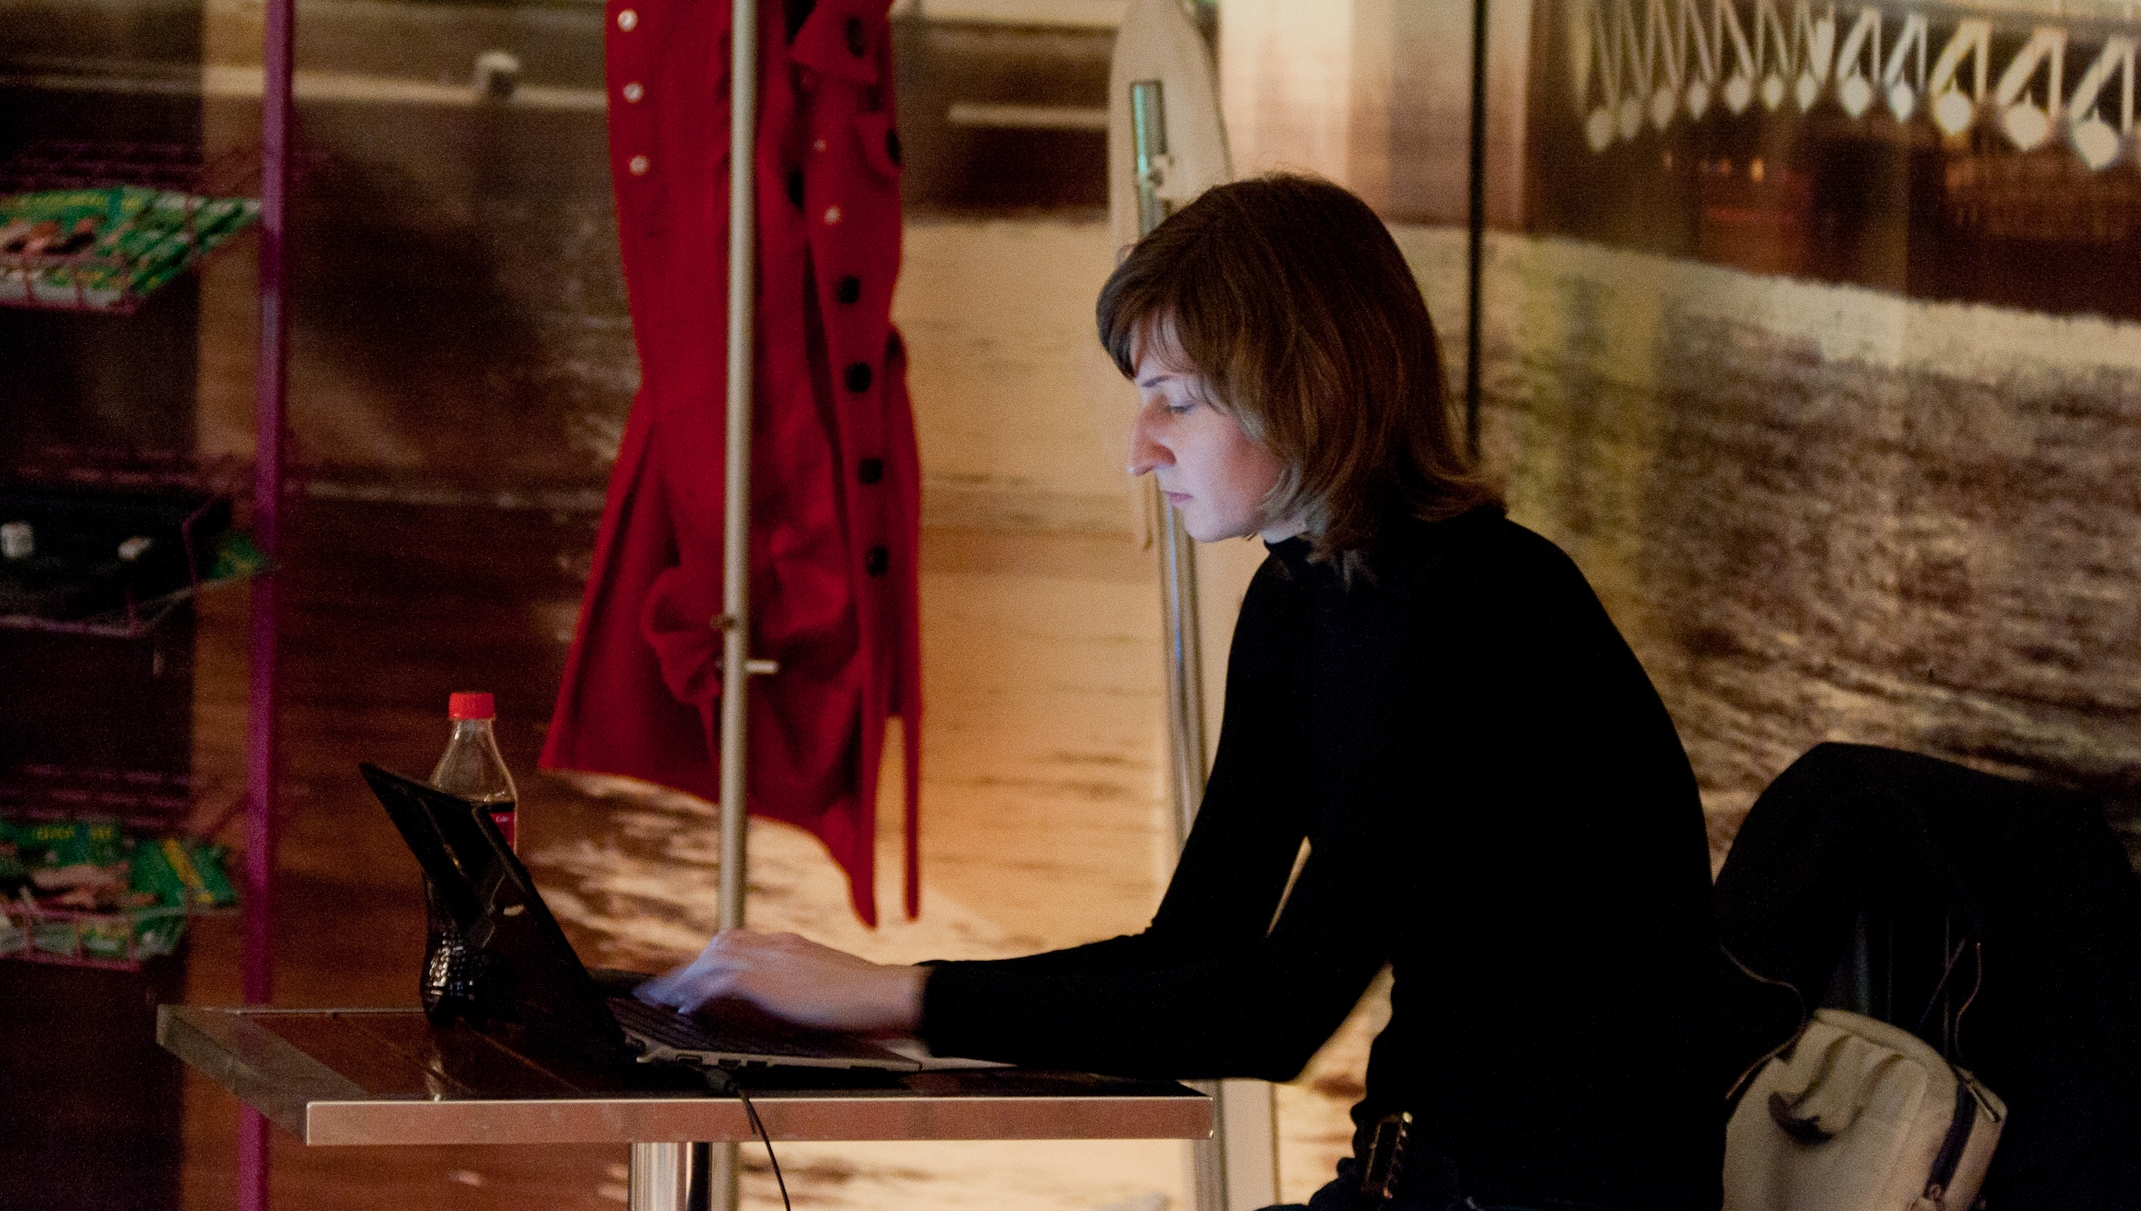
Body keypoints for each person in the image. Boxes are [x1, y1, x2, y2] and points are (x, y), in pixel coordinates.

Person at [639, 174, 1725, 1211]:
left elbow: (1278, 1011)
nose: (1140, 450)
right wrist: (873, 993)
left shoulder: (1479, 608)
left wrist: (894, 997)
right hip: (1410, 1183)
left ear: (1308, 387)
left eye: (1178, 402)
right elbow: (1196, 950)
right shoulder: (1300, 602)